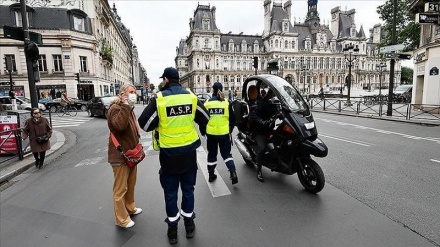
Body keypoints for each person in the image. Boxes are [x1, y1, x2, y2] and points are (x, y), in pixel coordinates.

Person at [138, 67, 209, 244]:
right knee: (188, 189)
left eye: (163, 80)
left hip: (169, 155)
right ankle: (189, 224)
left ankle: (172, 229)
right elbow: (205, 117)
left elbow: (145, 124)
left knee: (170, 193)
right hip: (189, 154)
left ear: (167, 80)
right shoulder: (191, 97)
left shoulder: (160, 99)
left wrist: (161, 122)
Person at [107, 83, 142, 229]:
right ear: (122, 94)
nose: (134, 94)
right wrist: (126, 105)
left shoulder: (129, 109)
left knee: (130, 185)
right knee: (120, 189)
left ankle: (130, 208)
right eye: (130, 92)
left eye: (134, 92)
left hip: (130, 155)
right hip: (120, 156)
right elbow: (119, 126)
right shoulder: (115, 109)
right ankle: (121, 219)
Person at [204, 82, 238, 184]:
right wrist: (230, 129)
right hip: (224, 134)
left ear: (212, 90)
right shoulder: (227, 103)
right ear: (222, 90)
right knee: (227, 154)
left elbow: (203, 119)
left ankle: (211, 175)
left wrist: (203, 130)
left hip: (211, 134)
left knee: (212, 154)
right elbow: (233, 118)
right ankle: (233, 172)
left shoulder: (207, 103)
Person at [249, 89, 279, 182]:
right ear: (270, 94)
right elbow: (254, 114)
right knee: (262, 148)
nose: (274, 97)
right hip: (260, 131)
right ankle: (259, 170)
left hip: (270, 129)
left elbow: (279, 112)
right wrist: (262, 122)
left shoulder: (275, 104)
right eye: (273, 94)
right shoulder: (263, 103)